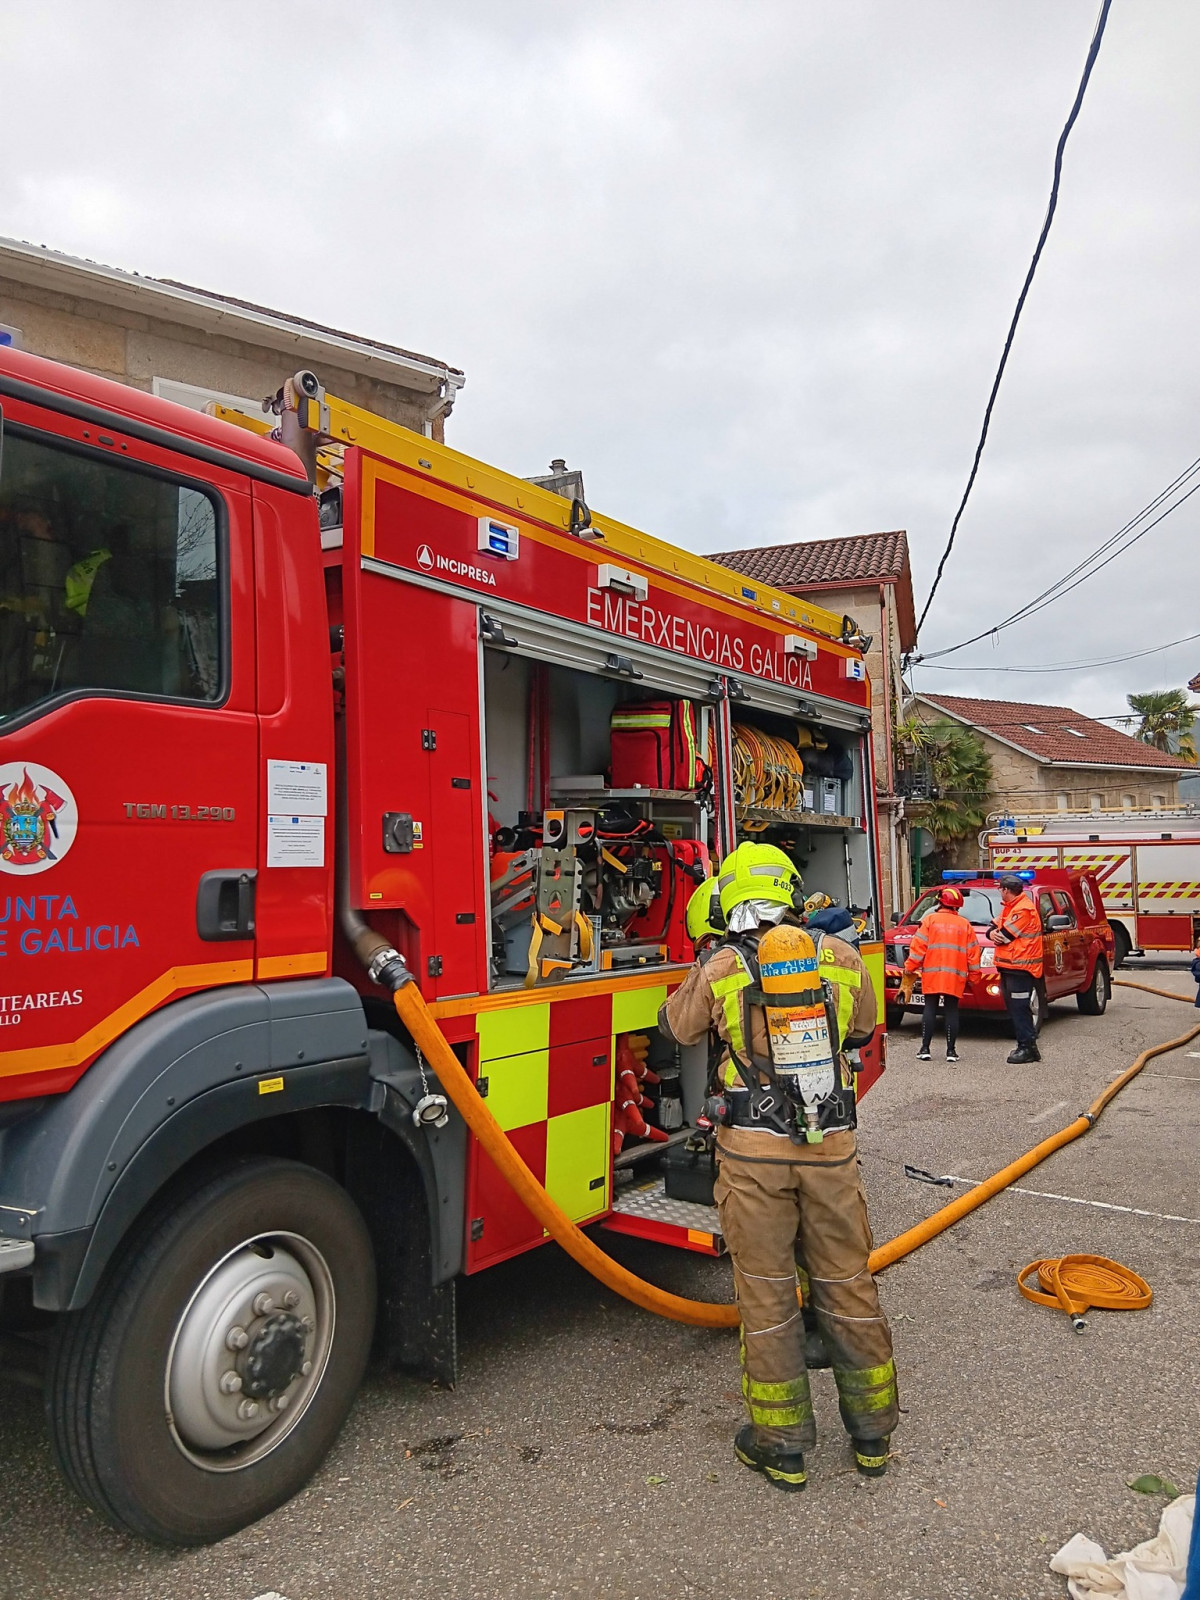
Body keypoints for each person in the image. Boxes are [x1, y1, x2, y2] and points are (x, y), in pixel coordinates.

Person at [658, 842, 898, 1491]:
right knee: (847, 1281)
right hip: (832, 1152)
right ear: (791, 893)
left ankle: (783, 1447)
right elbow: (862, 1030)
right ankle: (872, 1436)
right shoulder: (843, 958)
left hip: (753, 1155)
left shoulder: (723, 967)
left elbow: (678, 1029)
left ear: (731, 901)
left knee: (765, 1292)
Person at [899, 886, 981, 1064]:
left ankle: (925, 1049)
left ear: (939, 902)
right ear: (957, 906)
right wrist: (974, 977)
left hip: (932, 974)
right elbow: (973, 955)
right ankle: (951, 1052)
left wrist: (909, 968)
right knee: (951, 1010)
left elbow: (918, 949)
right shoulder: (965, 925)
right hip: (955, 976)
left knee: (930, 1008)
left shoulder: (929, 921)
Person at [989, 872, 1044, 1064]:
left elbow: (1005, 936)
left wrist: (997, 934)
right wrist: (993, 933)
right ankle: (1027, 1046)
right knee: (1014, 1008)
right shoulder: (1010, 908)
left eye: (1000, 889)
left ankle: (1027, 1047)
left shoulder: (1023, 910)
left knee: (1020, 1008)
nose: (999, 892)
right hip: (1009, 967)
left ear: (1006, 890)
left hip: (1021, 969)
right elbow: (992, 929)